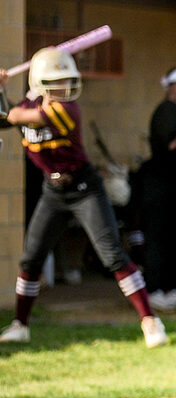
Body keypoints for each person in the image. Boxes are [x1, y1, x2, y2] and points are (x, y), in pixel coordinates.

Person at [0, 48, 167, 347]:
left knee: (113, 255)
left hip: (84, 188)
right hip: (53, 191)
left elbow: (18, 116)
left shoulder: (67, 109)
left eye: (67, 80)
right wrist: (1, 90)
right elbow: (4, 118)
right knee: (31, 258)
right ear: (40, 82)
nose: (64, 87)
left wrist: (10, 107)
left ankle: (150, 321)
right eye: (57, 81)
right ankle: (20, 325)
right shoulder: (30, 103)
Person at [145, 66, 176, 311]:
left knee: (175, 240)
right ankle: (154, 289)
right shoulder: (166, 111)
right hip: (160, 186)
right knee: (159, 238)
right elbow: (170, 145)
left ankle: (171, 288)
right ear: (170, 87)